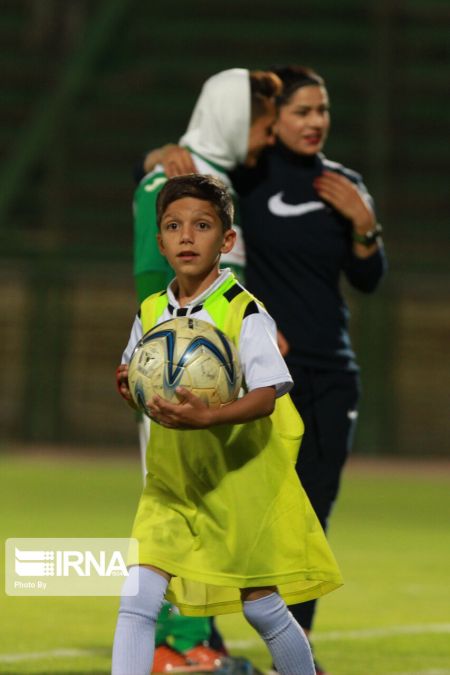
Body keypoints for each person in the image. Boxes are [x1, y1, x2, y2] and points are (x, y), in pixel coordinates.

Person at [145, 65, 387, 675]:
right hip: (249, 372)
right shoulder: (243, 180)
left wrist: (365, 224)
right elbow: (164, 190)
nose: (315, 122)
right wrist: (157, 153)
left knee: (309, 515)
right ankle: (201, 642)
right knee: (229, 511)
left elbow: (369, 278)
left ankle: (292, 654)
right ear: (271, 123)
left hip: (329, 371)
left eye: (323, 111)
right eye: (301, 111)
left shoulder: (345, 184)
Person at [112, 174, 343, 675]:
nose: (187, 236)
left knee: (261, 605)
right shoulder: (151, 311)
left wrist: (209, 416)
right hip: (171, 486)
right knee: (137, 598)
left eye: (202, 225)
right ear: (160, 242)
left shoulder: (245, 312)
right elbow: (144, 388)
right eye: (174, 226)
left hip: (234, 487)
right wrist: (132, 390)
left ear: (227, 240)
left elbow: (267, 397)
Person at [131, 67, 281, 671]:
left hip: (212, 385)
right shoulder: (169, 184)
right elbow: (153, 289)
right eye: (264, 126)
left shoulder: (210, 180)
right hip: (178, 379)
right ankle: (176, 646)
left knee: (210, 510)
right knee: (178, 510)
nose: (266, 139)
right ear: (237, 117)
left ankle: (195, 639)